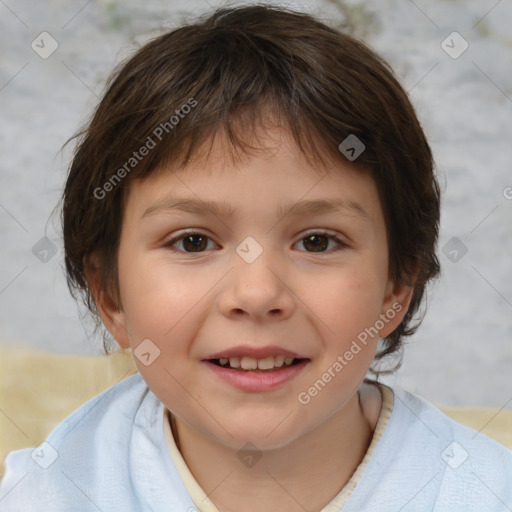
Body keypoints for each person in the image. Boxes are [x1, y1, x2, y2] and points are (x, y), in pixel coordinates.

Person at [1, 4, 510, 511]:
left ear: (397, 286)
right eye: (193, 242)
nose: (257, 294)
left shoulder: (482, 493)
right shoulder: (50, 493)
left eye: (317, 241)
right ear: (110, 294)